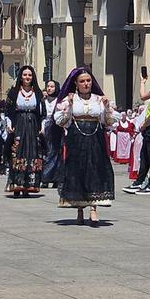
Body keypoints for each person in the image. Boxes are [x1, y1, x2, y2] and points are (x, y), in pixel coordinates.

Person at [54, 68, 116, 224]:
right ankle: (79, 209)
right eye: (82, 81)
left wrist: (107, 107)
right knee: (77, 171)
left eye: (88, 80)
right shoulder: (71, 99)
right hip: (76, 138)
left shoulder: (99, 99)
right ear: (76, 83)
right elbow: (61, 121)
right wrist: (68, 105)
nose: (86, 84)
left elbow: (108, 122)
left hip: (95, 138)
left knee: (95, 170)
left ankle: (93, 209)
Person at [5, 65, 46, 196]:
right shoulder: (14, 92)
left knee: (32, 152)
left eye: (29, 75)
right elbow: (8, 111)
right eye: (24, 75)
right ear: (20, 77)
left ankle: (29, 185)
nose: (27, 77)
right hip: (19, 124)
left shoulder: (38, 93)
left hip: (33, 125)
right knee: (17, 152)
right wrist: (9, 124)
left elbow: (42, 113)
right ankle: (17, 183)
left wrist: (42, 126)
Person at [41, 80, 63, 188]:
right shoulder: (43, 101)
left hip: (56, 128)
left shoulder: (59, 101)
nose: (49, 88)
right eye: (48, 86)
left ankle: (56, 178)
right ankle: (45, 178)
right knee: (45, 152)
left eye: (52, 86)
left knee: (55, 153)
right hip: (44, 127)